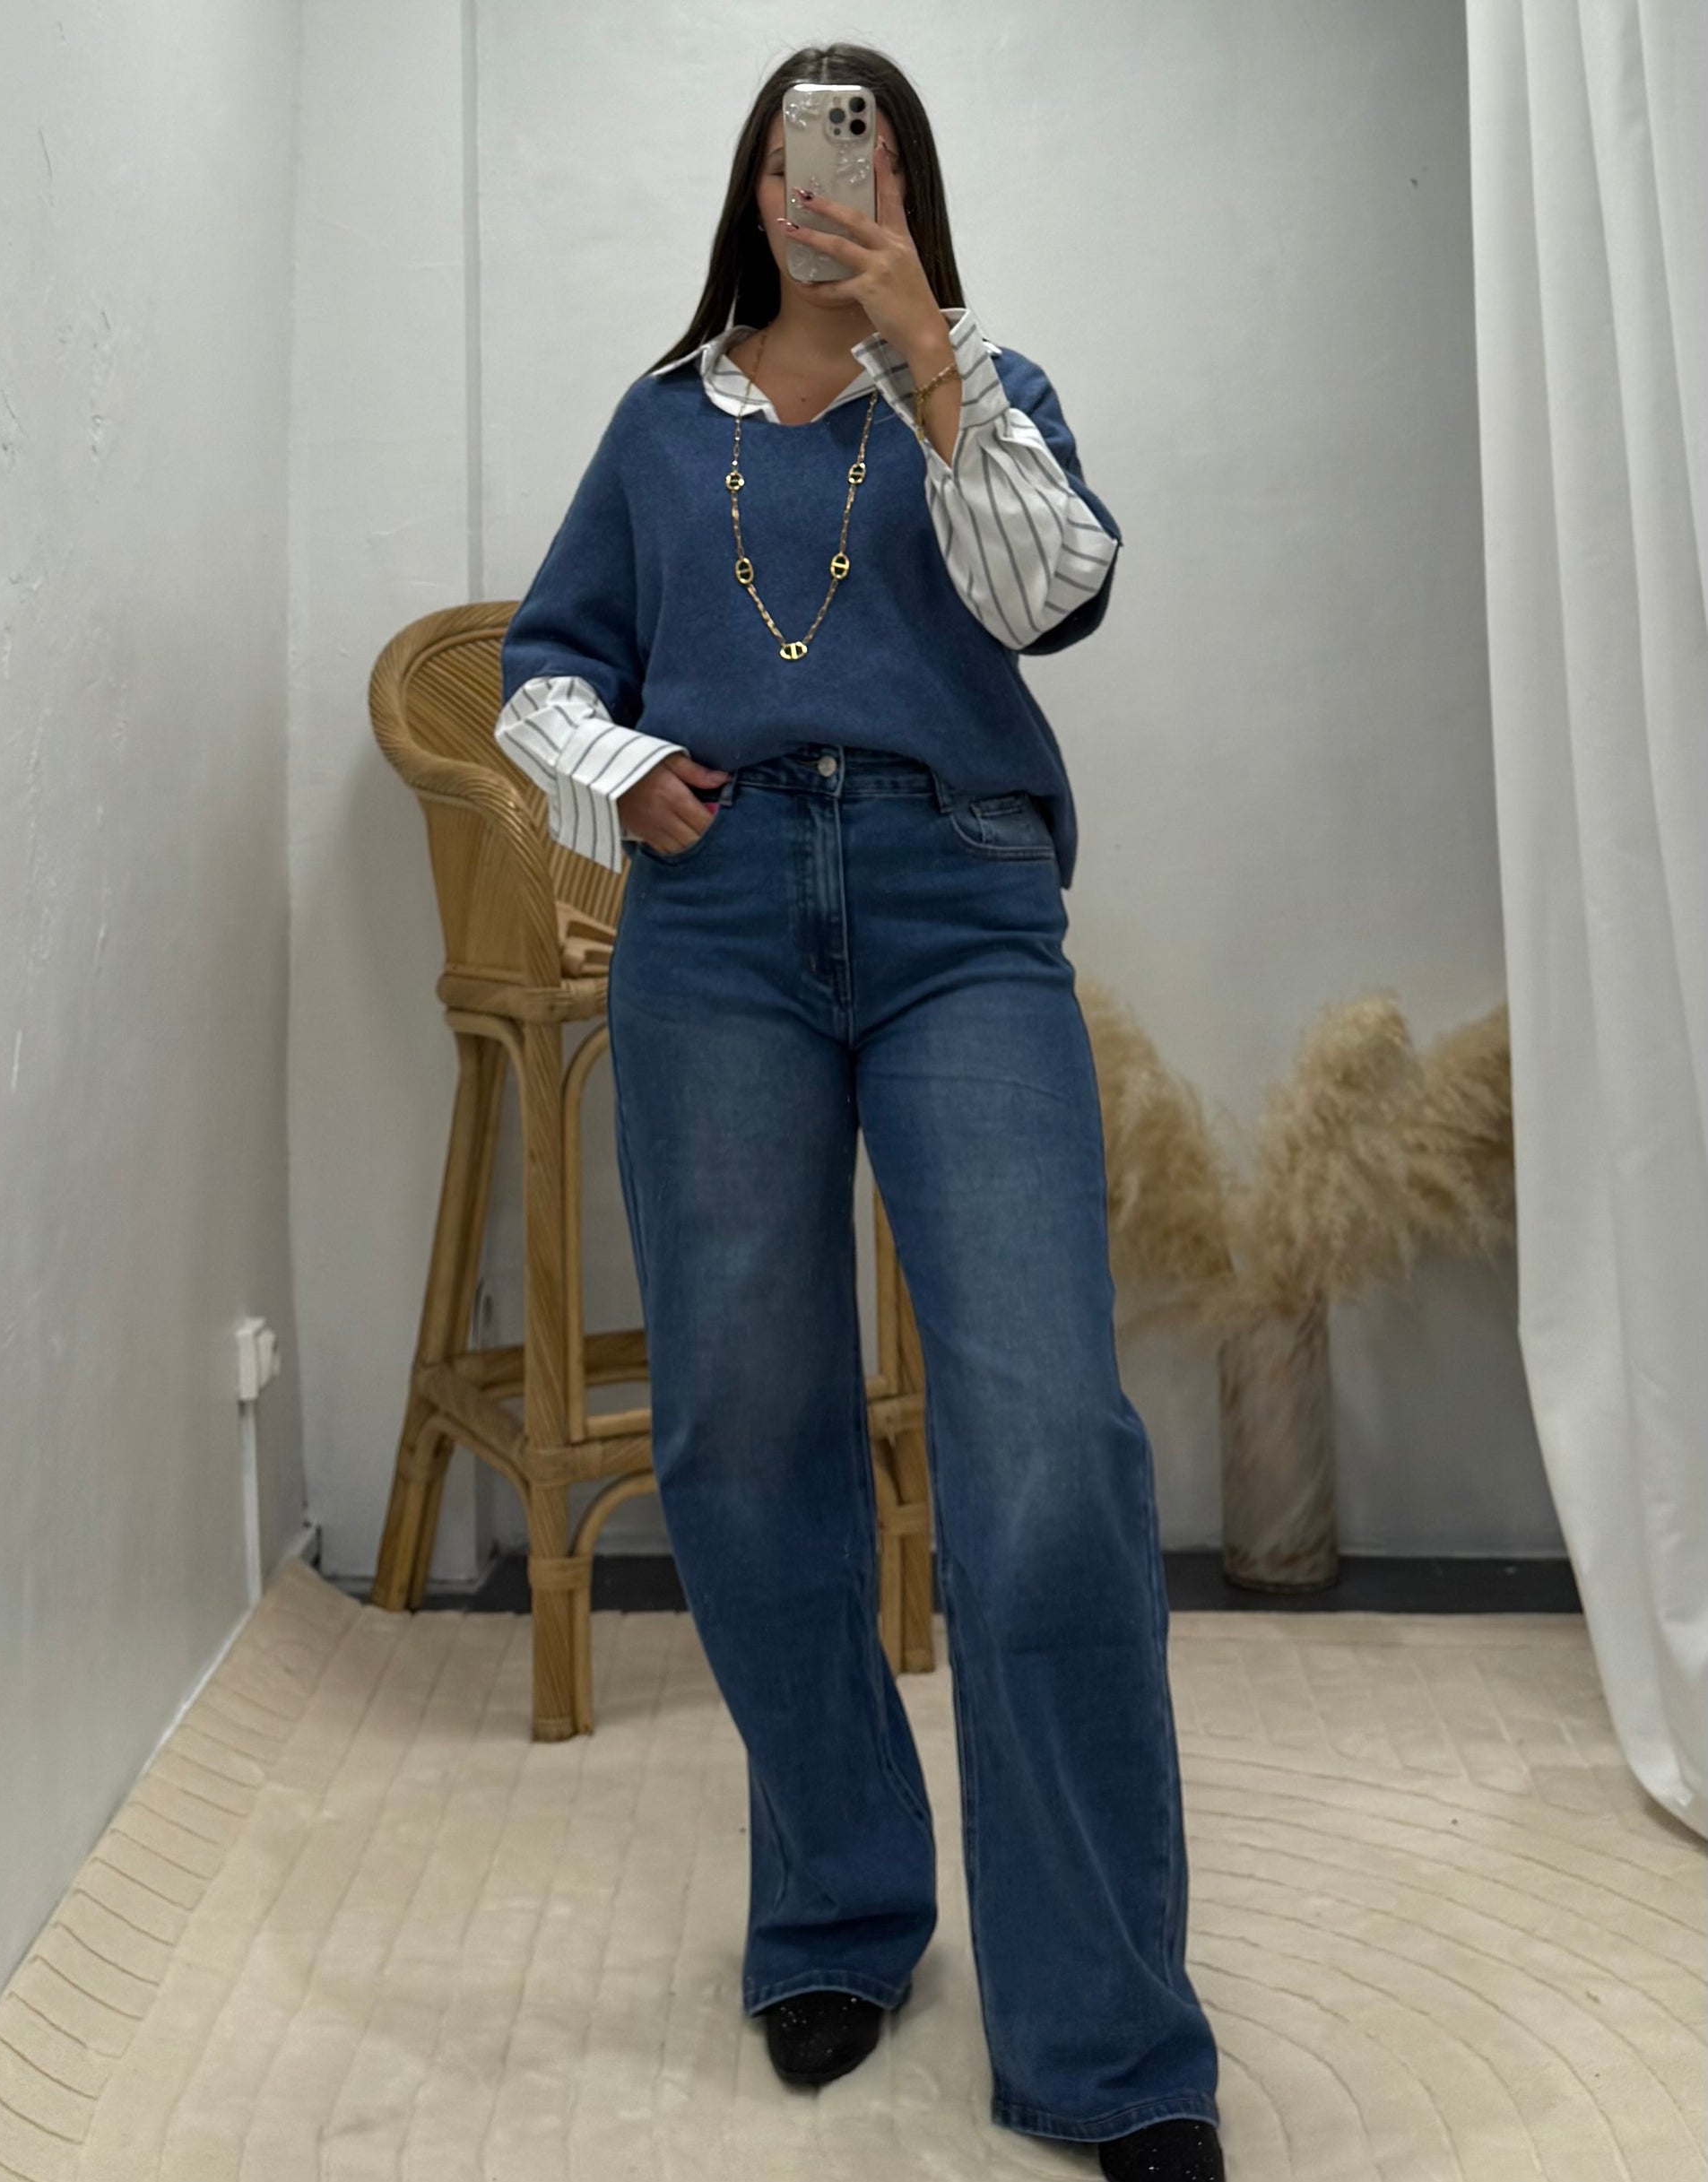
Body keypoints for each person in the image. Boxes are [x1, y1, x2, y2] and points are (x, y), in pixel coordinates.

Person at [493, 43, 1227, 2182]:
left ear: (904, 187)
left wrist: (926, 352)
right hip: (715, 919)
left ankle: (1107, 2033)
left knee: (1050, 1446)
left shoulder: (980, 387)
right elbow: (544, 666)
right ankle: (834, 1901)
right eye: (798, 155)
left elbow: (1051, 595)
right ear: (753, 189)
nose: (827, 184)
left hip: (959, 896)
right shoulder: (661, 423)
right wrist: (625, 771)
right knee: (744, 1426)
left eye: (866, 153)